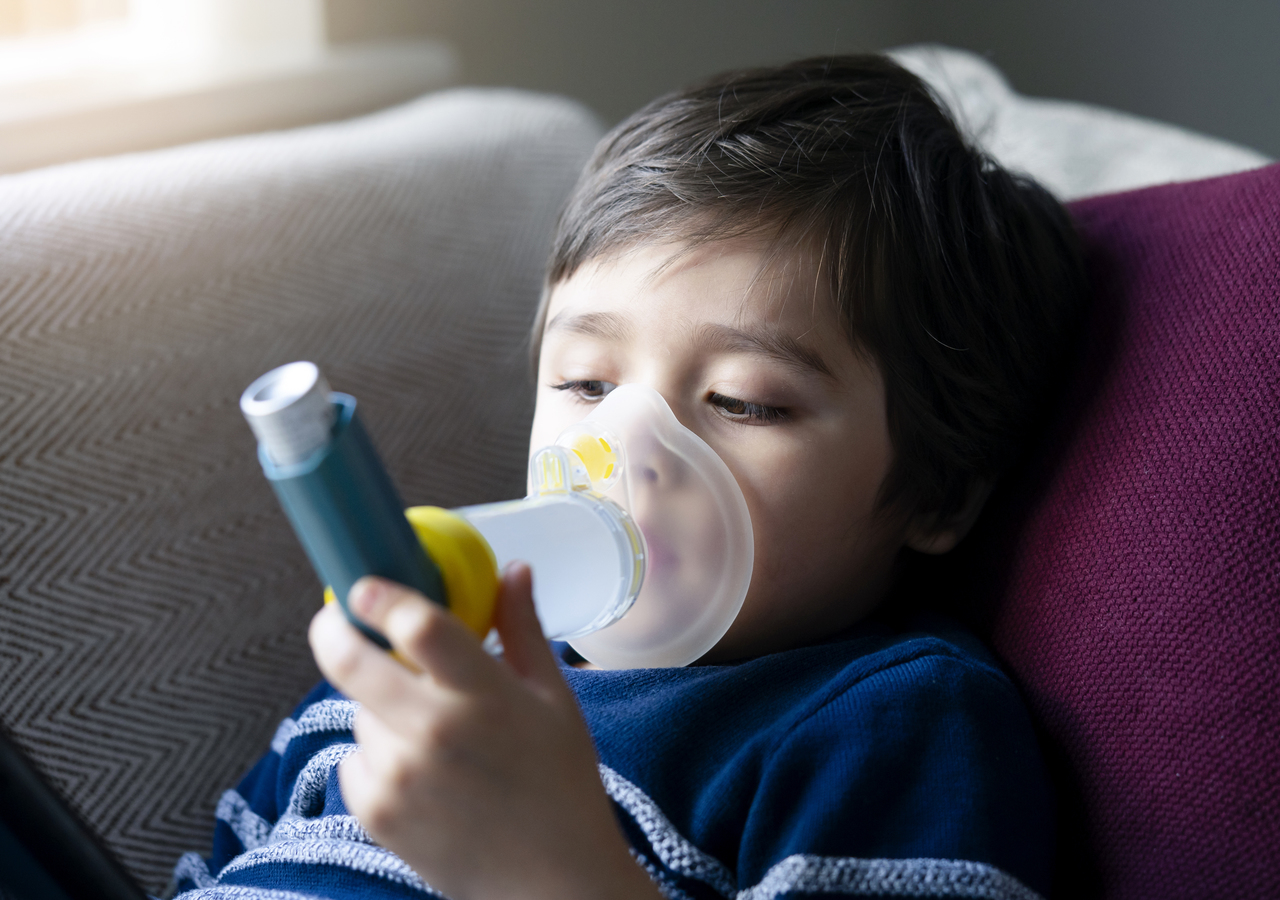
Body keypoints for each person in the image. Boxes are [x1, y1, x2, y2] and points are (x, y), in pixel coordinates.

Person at [173, 55, 1086, 900]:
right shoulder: (421, 660)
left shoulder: (891, 727)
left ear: (937, 493)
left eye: (744, 401)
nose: (624, 451)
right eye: (586, 383)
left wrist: (553, 869)